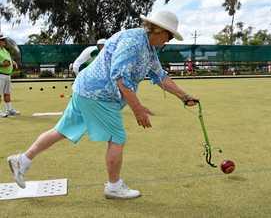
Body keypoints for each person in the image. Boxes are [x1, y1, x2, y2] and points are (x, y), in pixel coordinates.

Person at [7, 11, 198, 199]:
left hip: (86, 90)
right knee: (117, 137)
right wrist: (137, 109)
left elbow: (160, 76)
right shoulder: (133, 42)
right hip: (98, 95)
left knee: (62, 130)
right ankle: (114, 187)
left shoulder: (148, 47)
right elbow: (120, 78)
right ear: (157, 30)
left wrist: (184, 96)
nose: (169, 40)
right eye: (169, 35)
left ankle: (21, 160)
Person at [0, 34, 20, 117]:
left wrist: (13, 62)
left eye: (4, 40)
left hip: (7, 75)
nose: (5, 41)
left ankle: (9, 109)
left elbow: (9, 59)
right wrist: (1, 64)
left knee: (7, 93)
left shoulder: (5, 50)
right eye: (3, 40)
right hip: (0, 75)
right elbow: (3, 63)